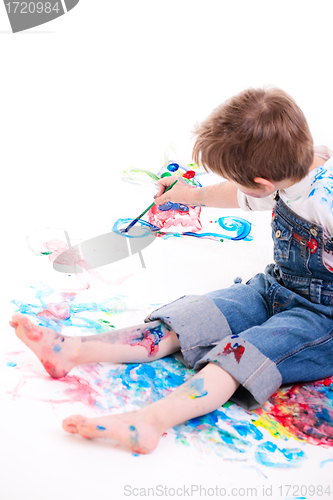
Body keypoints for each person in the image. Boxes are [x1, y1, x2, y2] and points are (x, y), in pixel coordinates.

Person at [10, 87, 333, 455]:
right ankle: (72, 351)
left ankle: (149, 422)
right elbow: (238, 195)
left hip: (322, 320)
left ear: (263, 183)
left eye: (246, 184)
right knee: (193, 317)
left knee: (239, 356)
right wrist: (190, 195)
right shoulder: (296, 164)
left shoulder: (327, 201)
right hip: (276, 287)